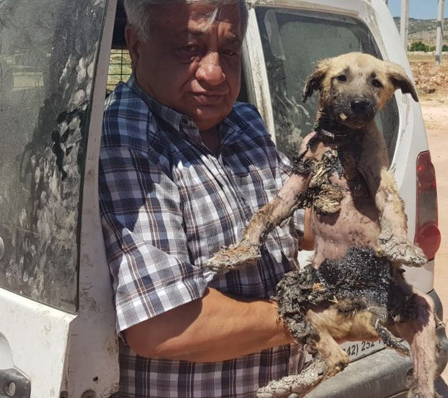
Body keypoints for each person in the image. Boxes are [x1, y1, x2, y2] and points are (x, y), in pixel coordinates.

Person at [98, 1, 304, 396]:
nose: (214, 74)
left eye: (228, 51)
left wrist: (343, 186)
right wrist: (317, 318)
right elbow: (164, 325)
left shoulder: (242, 122)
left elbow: (298, 223)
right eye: (188, 49)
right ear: (135, 45)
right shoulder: (127, 135)